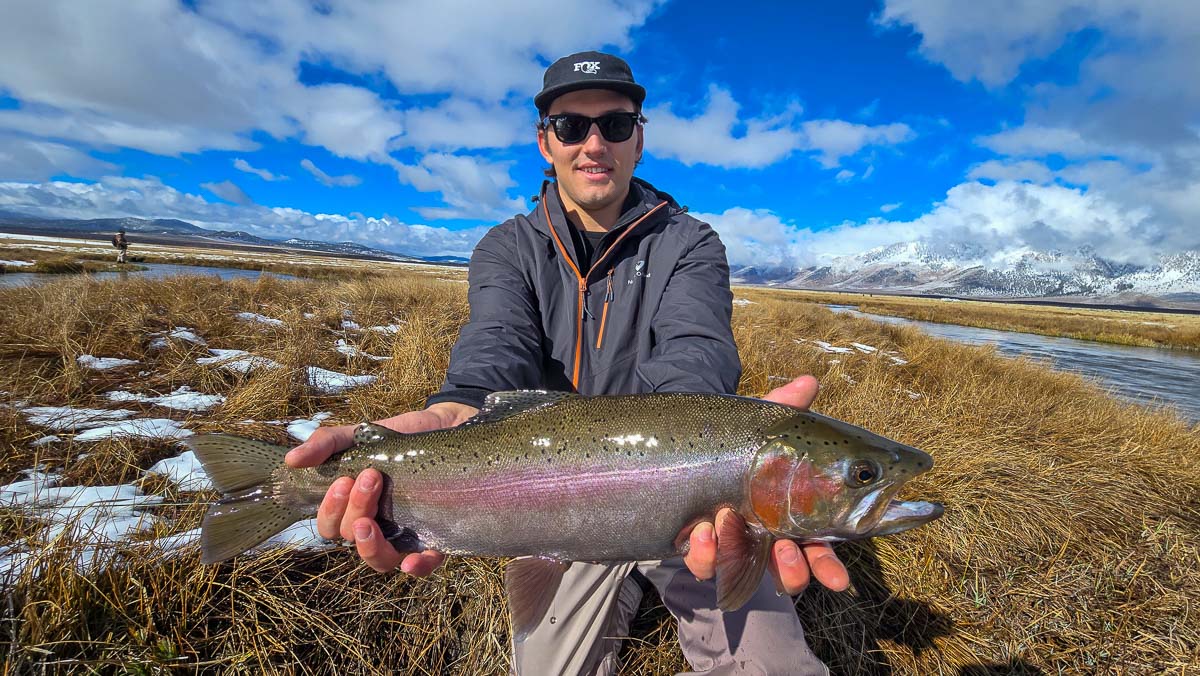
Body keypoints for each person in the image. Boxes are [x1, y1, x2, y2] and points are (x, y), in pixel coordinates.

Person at [286, 50, 848, 675]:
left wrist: (726, 452)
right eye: (571, 126)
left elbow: (697, 356)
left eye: (614, 124)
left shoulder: (690, 244)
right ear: (544, 142)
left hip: (703, 504)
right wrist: (451, 410)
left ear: (639, 138)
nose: (593, 143)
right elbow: (494, 350)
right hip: (552, 510)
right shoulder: (507, 248)